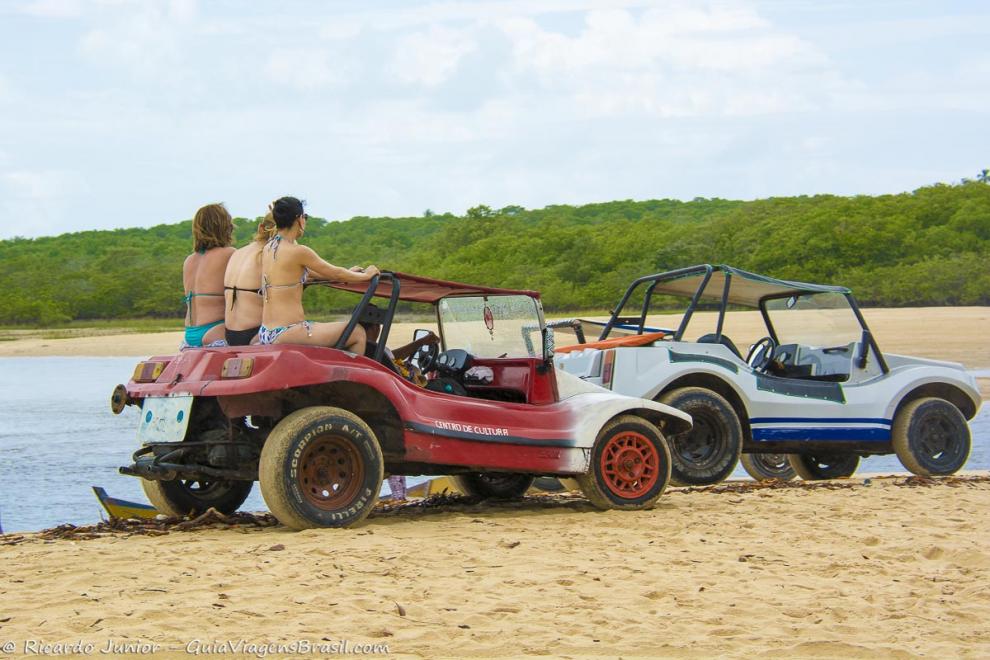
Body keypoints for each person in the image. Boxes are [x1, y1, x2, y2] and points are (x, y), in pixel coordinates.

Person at [259, 196, 379, 351]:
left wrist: (349, 272)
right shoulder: (299, 252)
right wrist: (366, 275)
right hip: (288, 331)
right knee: (358, 333)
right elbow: (336, 273)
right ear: (299, 220)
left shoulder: (269, 248)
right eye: (305, 217)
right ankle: (345, 375)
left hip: (266, 332)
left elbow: (315, 273)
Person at [182, 203, 235, 348]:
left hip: (189, 334)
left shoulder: (189, 261)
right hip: (215, 330)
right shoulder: (229, 254)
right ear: (224, 226)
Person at [223, 212, 276, 346]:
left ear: (260, 227)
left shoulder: (237, 253)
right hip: (255, 333)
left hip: (230, 334)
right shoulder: (269, 254)